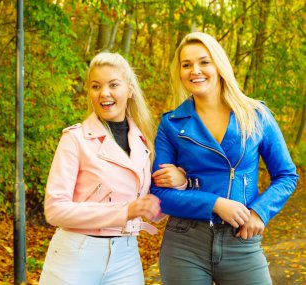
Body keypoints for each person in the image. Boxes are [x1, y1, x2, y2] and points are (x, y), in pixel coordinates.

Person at [150, 32, 299, 285]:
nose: (195, 70)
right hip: (184, 243)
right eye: (186, 65)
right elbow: (158, 194)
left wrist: (260, 213)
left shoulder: (256, 115)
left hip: (241, 241)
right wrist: (215, 204)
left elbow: (286, 176)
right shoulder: (171, 124)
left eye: (204, 62)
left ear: (218, 64)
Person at [39, 52, 186, 285]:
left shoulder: (143, 142)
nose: (104, 93)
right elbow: (55, 210)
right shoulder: (75, 139)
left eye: (113, 85)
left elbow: (150, 212)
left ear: (129, 90)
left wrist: (179, 184)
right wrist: (125, 211)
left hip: (126, 255)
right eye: (96, 86)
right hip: (76, 255)